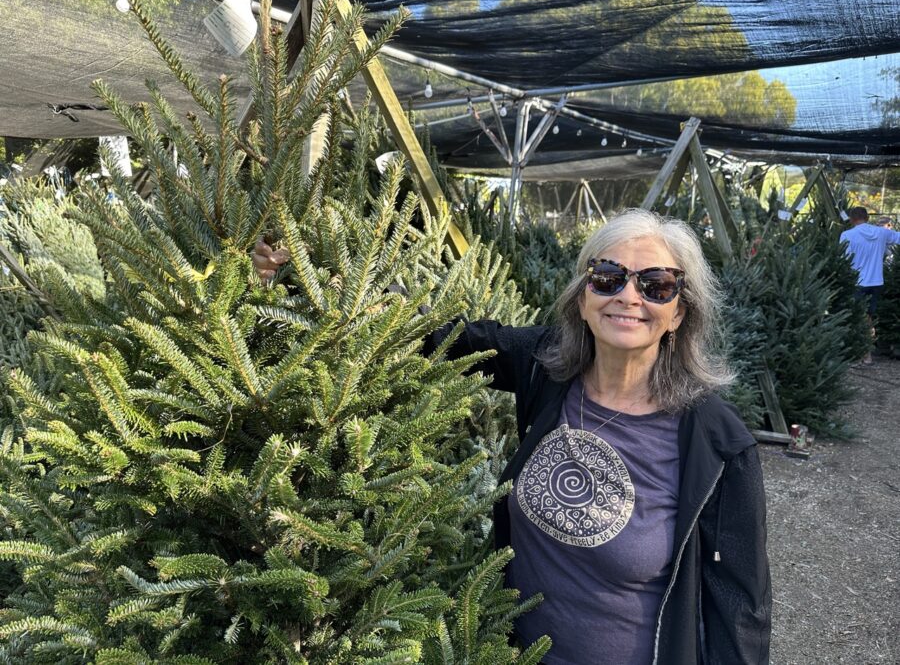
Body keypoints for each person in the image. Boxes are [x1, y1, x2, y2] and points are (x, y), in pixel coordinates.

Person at [253, 209, 772, 664]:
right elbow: (440, 336)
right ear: (583, 297)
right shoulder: (547, 366)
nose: (628, 297)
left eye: (656, 284)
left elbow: (740, 605)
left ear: (679, 310)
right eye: (608, 276)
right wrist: (304, 274)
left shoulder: (718, 442)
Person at [839, 206, 900, 364]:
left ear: (852, 219)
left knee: (856, 317)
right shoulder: (882, 233)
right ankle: (867, 354)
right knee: (869, 317)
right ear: (867, 218)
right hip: (876, 281)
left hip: (856, 282)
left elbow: (843, 260)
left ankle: (859, 354)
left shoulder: (847, 235)